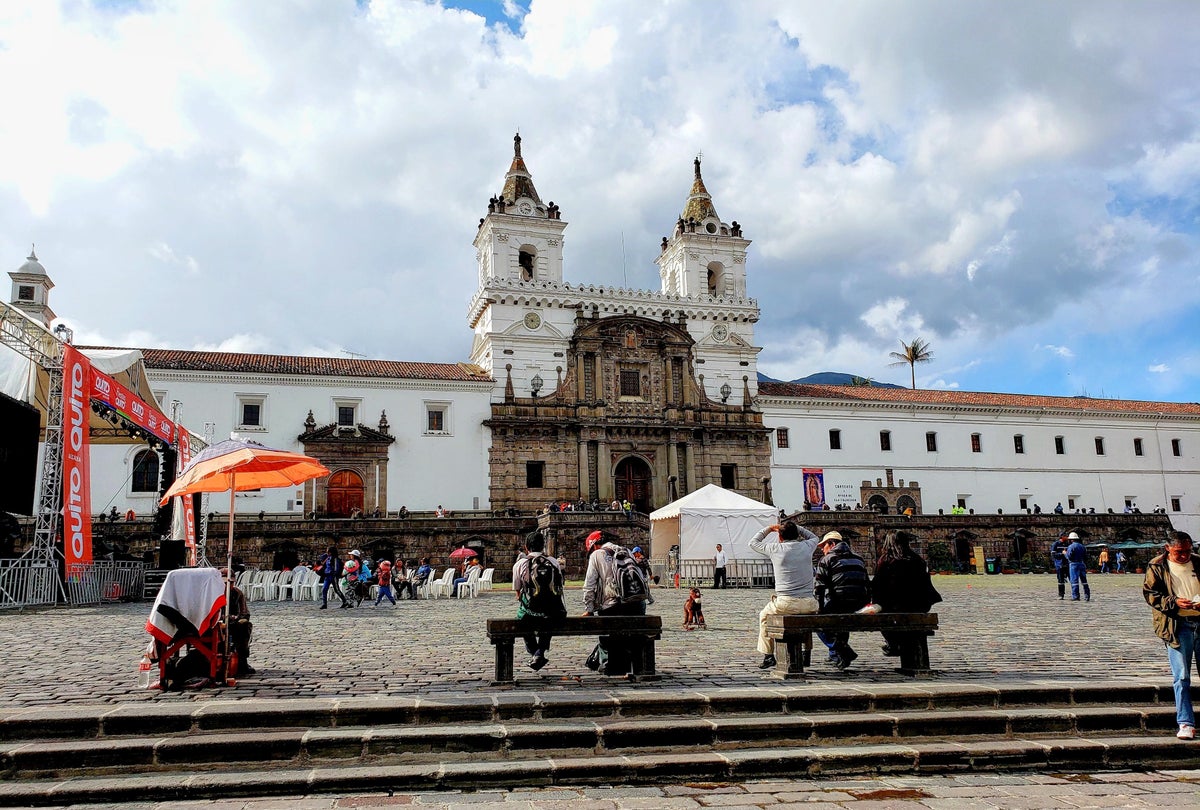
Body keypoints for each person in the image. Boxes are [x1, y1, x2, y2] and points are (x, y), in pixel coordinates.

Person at [1143, 531, 1200, 740]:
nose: (1184, 556)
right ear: (1168, 548)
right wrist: (1174, 602)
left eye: (1188, 551)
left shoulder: (1198, 563)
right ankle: (1186, 722)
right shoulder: (1157, 566)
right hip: (1177, 625)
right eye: (1179, 552)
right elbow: (1151, 594)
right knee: (1182, 676)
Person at [747, 520, 820, 670]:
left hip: (786, 602)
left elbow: (753, 543)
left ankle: (768, 655)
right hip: (810, 603)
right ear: (797, 535)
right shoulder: (807, 546)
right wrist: (796, 528)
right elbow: (814, 537)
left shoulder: (775, 549)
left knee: (764, 615)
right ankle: (807, 653)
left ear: (780, 537)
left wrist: (769, 529)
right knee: (803, 619)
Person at [581, 530, 649, 675]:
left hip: (612, 605)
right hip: (634, 605)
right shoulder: (626, 551)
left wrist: (589, 608)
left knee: (607, 631)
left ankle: (611, 664)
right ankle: (629, 664)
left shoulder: (596, 555)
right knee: (630, 632)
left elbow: (589, 585)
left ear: (593, 546)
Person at [872, 532, 942, 656]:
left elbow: (878, 586)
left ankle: (893, 643)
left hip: (895, 607)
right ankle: (900, 644)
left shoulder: (885, 560)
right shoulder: (917, 559)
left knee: (882, 614)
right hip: (919, 606)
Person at [814, 531, 871, 670]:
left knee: (816, 623)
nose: (822, 549)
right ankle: (835, 655)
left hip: (840, 601)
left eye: (823, 546)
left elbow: (820, 588)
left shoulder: (828, 559)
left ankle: (840, 649)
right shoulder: (858, 558)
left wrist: (819, 609)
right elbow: (867, 583)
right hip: (860, 603)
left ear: (832, 544)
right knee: (841, 620)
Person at [512, 531, 567, 670]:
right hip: (552, 611)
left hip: (530, 612)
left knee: (521, 618)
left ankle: (535, 651)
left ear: (526, 547)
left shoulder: (520, 564)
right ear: (543, 546)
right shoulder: (553, 562)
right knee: (548, 620)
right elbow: (559, 586)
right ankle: (540, 651)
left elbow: (518, 593)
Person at [222, 569, 254, 676]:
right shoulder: (214, 593)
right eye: (226, 583)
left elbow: (245, 613)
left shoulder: (237, 593)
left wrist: (236, 618)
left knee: (244, 626)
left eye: (231, 583)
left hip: (234, 623)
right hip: (217, 623)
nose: (229, 585)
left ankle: (242, 660)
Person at [1065, 532, 1090, 602]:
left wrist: (1065, 553)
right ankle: (1087, 595)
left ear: (1071, 540)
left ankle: (1075, 596)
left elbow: (1069, 556)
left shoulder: (1071, 546)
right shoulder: (1082, 546)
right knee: (1084, 580)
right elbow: (1086, 557)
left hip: (1073, 564)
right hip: (1081, 564)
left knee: (1074, 581)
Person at [1051, 533, 1070, 600]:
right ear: (1062, 537)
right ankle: (1061, 594)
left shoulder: (1068, 544)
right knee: (1061, 580)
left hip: (1068, 564)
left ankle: (1075, 594)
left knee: (1072, 579)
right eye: (1066, 536)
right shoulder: (1056, 544)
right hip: (1060, 564)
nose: (1067, 537)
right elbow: (1053, 555)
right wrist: (1061, 554)